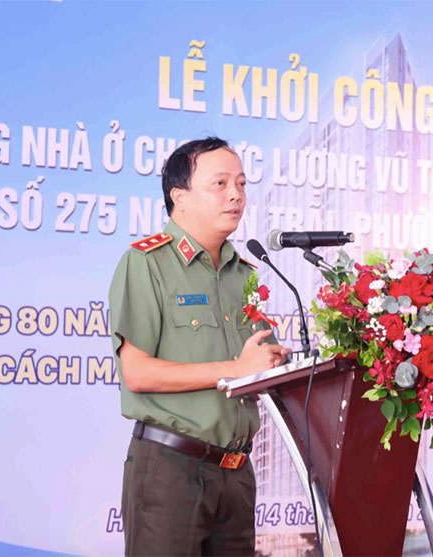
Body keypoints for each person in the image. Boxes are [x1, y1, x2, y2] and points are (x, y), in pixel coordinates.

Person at [108, 137, 290, 556]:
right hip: (172, 470)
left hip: (237, 473)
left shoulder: (242, 273)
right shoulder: (146, 263)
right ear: (180, 197)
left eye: (242, 184)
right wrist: (235, 369)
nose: (236, 195)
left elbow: (258, 365)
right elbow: (137, 373)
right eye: (221, 183)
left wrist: (278, 365)